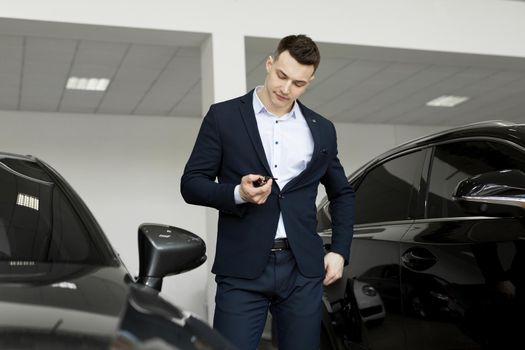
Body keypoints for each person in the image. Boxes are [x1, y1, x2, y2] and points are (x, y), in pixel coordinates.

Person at [181, 34, 355, 350]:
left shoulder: (322, 128)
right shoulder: (224, 117)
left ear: (310, 81)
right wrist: (238, 193)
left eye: (299, 83)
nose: (286, 89)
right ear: (270, 63)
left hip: (302, 268)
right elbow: (191, 184)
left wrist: (340, 251)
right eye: (281, 75)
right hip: (242, 269)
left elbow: (342, 193)